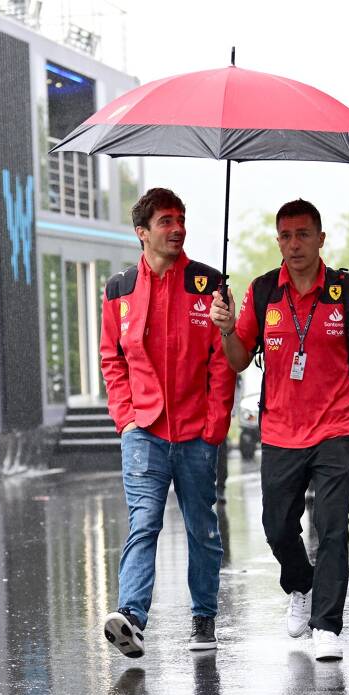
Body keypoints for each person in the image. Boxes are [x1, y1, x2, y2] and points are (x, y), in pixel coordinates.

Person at [209, 199, 349, 661]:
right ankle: (300, 584)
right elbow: (237, 359)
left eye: (302, 234)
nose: (294, 244)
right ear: (278, 241)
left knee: (333, 527)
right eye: (286, 236)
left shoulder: (347, 292)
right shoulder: (262, 293)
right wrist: (225, 328)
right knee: (276, 527)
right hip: (279, 432)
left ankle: (328, 625)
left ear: (320, 238)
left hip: (335, 428)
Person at [99, 189, 236, 657]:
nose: (177, 228)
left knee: (202, 527)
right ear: (142, 233)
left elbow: (222, 360)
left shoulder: (209, 284)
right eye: (165, 221)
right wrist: (125, 418)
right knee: (144, 522)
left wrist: (216, 424)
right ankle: (132, 619)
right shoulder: (118, 289)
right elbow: (111, 358)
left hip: (198, 431)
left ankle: (203, 619)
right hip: (144, 430)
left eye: (181, 219)